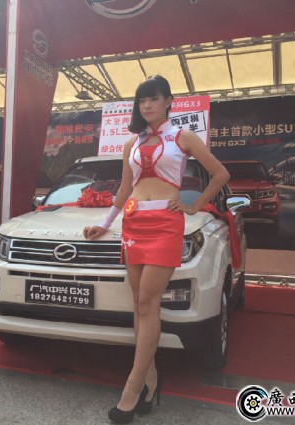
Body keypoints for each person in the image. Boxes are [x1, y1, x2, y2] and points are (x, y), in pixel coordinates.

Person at [83, 75, 230, 424]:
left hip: (166, 225)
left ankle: (131, 389)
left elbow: (220, 174)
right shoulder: (131, 143)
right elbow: (124, 189)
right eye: (142, 100)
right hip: (134, 223)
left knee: (149, 303)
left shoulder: (183, 137)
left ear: (168, 101)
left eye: (153, 98)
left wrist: (194, 206)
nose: (147, 105)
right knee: (139, 304)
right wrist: (105, 223)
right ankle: (151, 380)